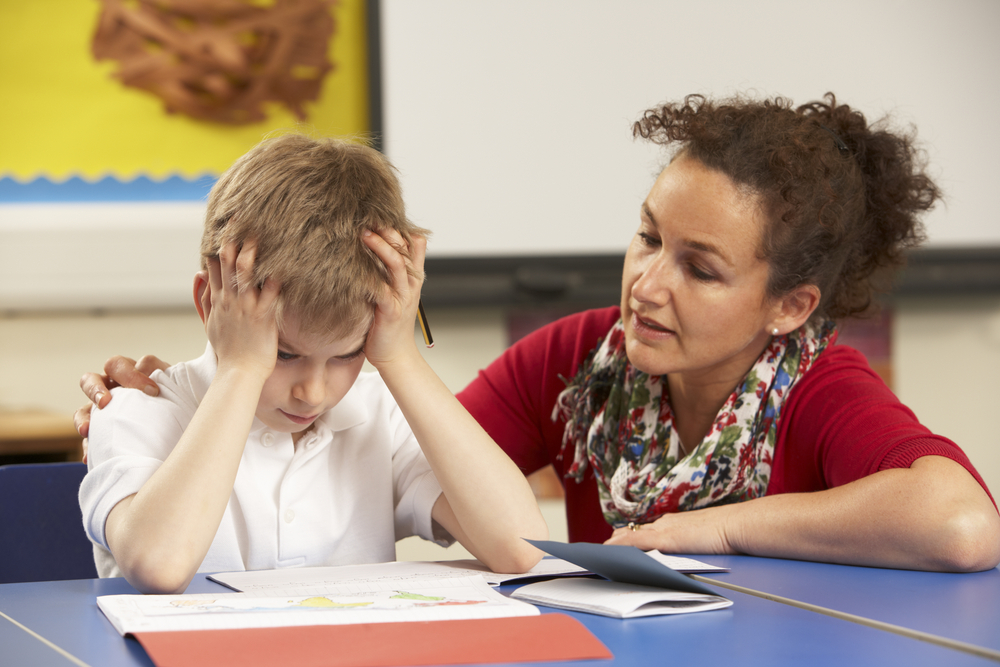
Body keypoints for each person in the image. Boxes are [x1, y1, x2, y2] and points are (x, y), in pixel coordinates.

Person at [78, 93, 1000, 573]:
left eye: (700, 267)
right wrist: (232, 375)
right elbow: (443, 457)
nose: (647, 282)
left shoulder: (819, 387)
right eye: (647, 237)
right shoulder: (577, 360)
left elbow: (959, 519)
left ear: (789, 305)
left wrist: (704, 530)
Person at [78, 133, 547, 594]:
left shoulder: (381, 416)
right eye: (284, 354)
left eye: (347, 354)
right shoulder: (134, 409)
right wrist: (242, 370)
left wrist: (400, 356)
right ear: (211, 303)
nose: (313, 392)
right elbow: (160, 567)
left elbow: (525, 550)